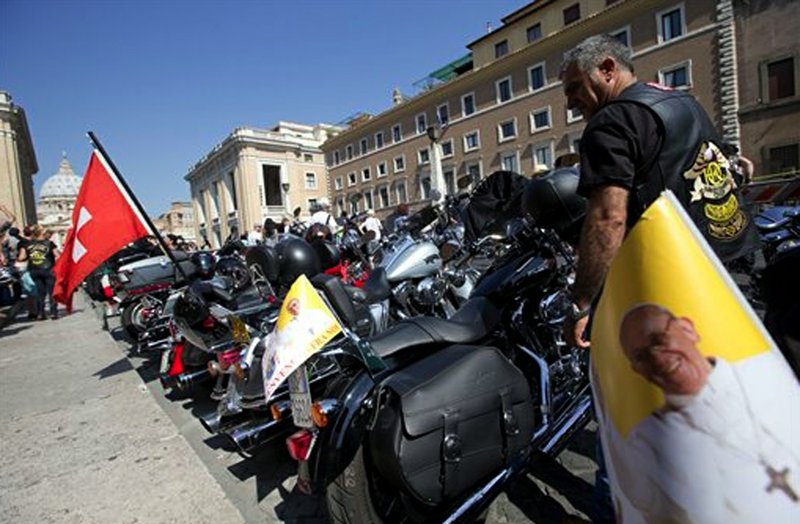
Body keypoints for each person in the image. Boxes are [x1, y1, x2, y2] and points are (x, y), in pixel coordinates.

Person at [559, 34, 760, 349]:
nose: (569, 103)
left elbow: (608, 219)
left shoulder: (610, 121)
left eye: (573, 87)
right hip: (739, 259)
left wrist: (581, 305)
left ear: (607, 69)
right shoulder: (683, 101)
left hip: (681, 282)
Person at [605, 303, 800, 523]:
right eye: (641, 356)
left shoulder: (765, 371)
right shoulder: (644, 441)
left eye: (659, 341)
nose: (658, 358)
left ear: (688, 329)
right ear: (637, 370)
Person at [17, 225, 59, 320]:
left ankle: (40, 313)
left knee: (40, 293)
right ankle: (53, 313)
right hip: (48, 270)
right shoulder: (49, 243)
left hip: (34, 270)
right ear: (43, 233)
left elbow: (21, 257)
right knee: (51, 292)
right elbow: (57, 255)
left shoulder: (27, 244)